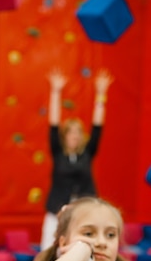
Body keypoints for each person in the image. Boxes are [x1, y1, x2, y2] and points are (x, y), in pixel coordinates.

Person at [40, 67, 114, 250]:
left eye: (78, 133)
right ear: (65, 136)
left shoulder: (87, 153)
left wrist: (100, 94)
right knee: (49, 250)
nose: (74, 136)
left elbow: (98, 125)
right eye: (70, 133)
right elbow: (54, 124)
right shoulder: (58, 153)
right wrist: (56, 92)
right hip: (57, 210)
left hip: (84, 211)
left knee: (83, 250)